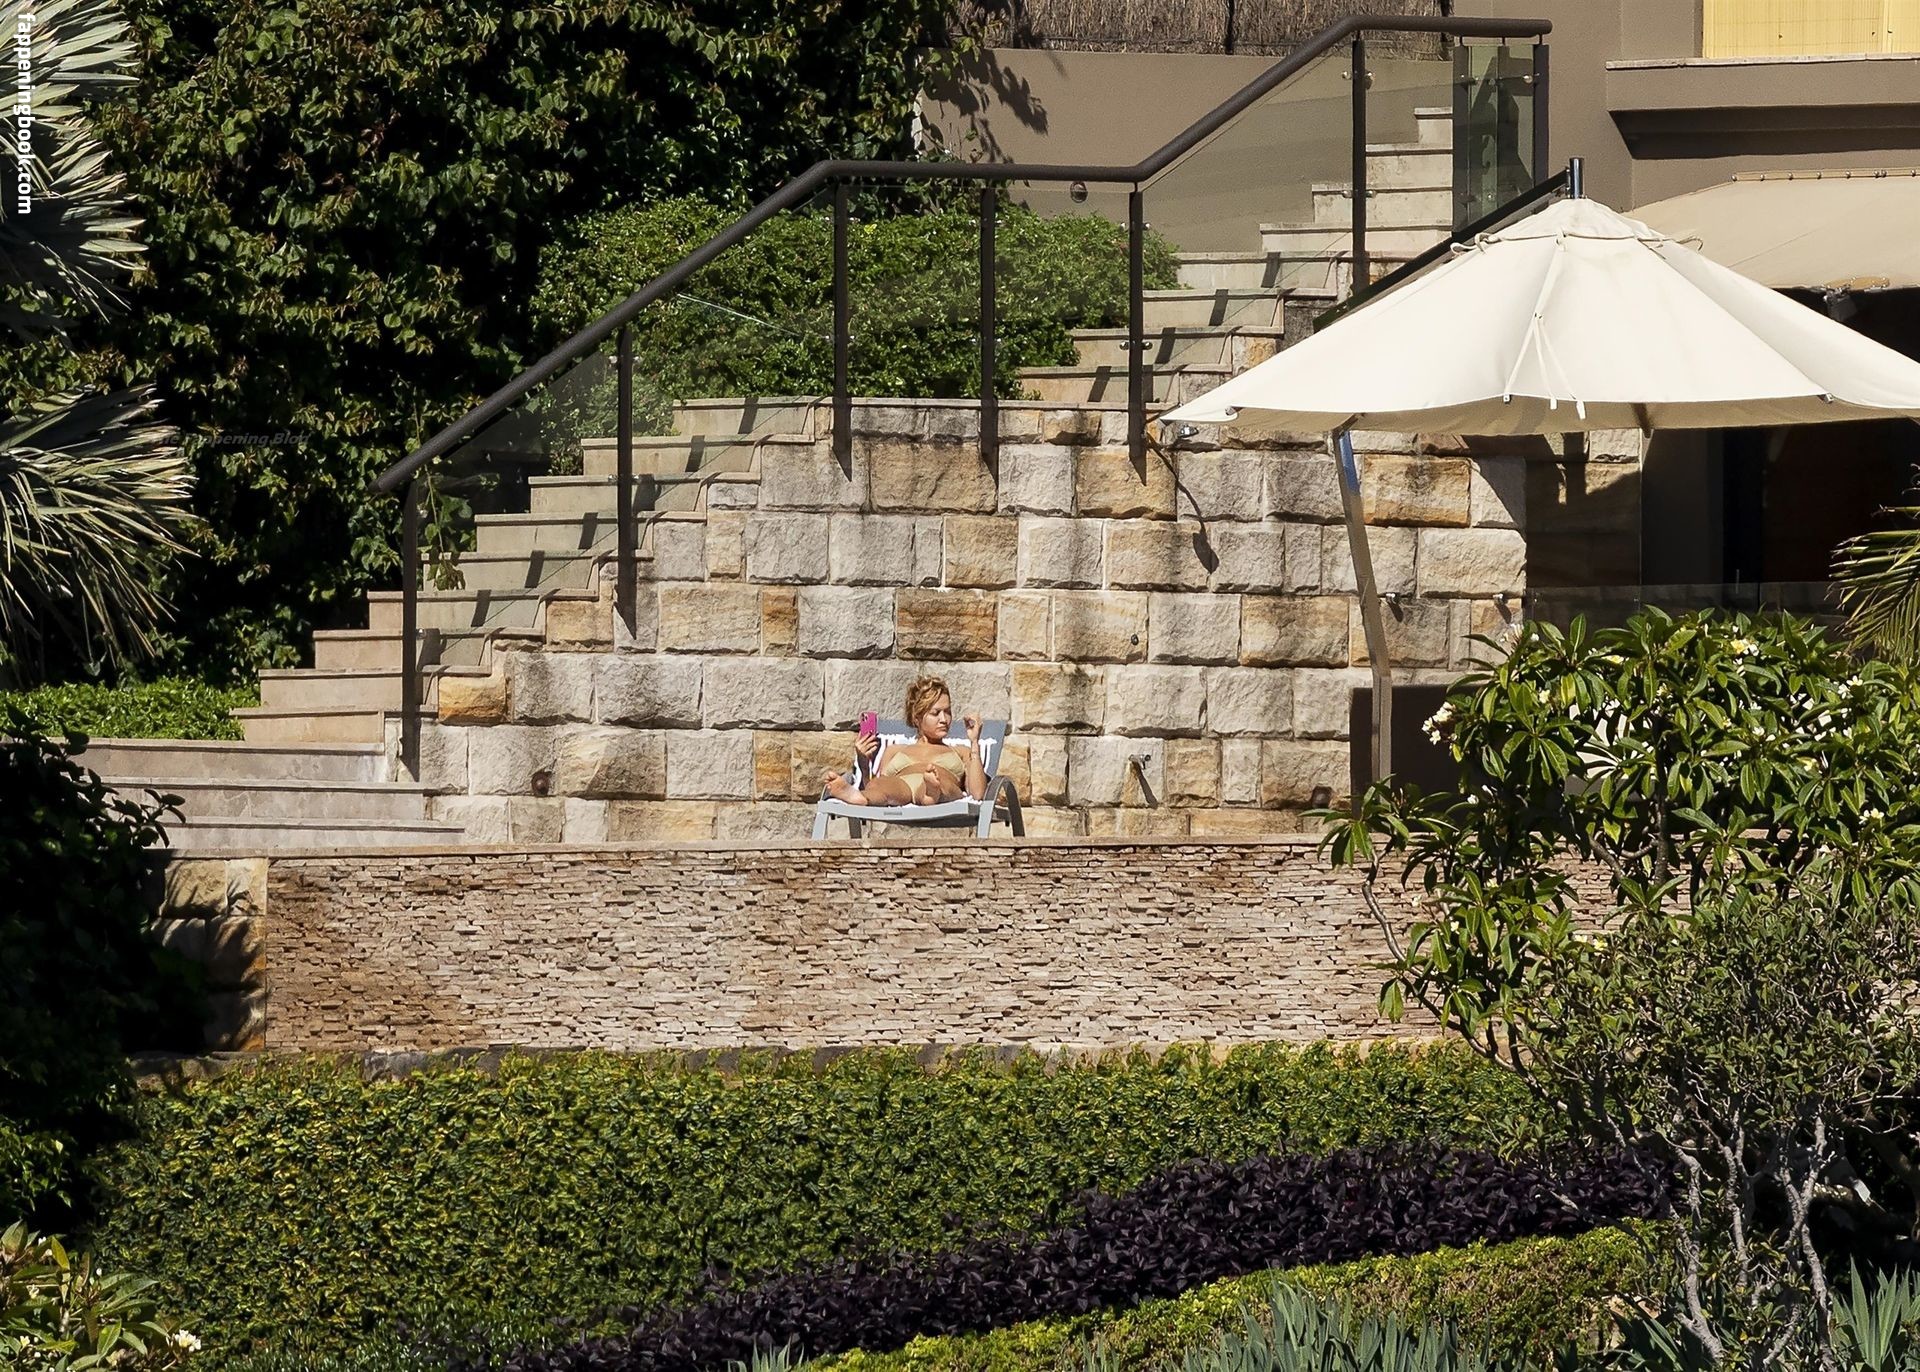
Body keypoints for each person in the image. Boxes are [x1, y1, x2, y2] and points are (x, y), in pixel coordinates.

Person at [822, 675, 987, 807]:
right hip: (903, 787)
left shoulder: (961, 751)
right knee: (881, 785)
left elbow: (977, 794)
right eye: (935, 713)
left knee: (938, 784)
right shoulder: (894, 750)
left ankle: (930, 793)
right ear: (917, 717)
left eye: (948, 712)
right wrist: (864, 764)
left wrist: (974, 742)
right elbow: (874, 786)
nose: (944, 719)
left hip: (942, 786)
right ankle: (859, 797)